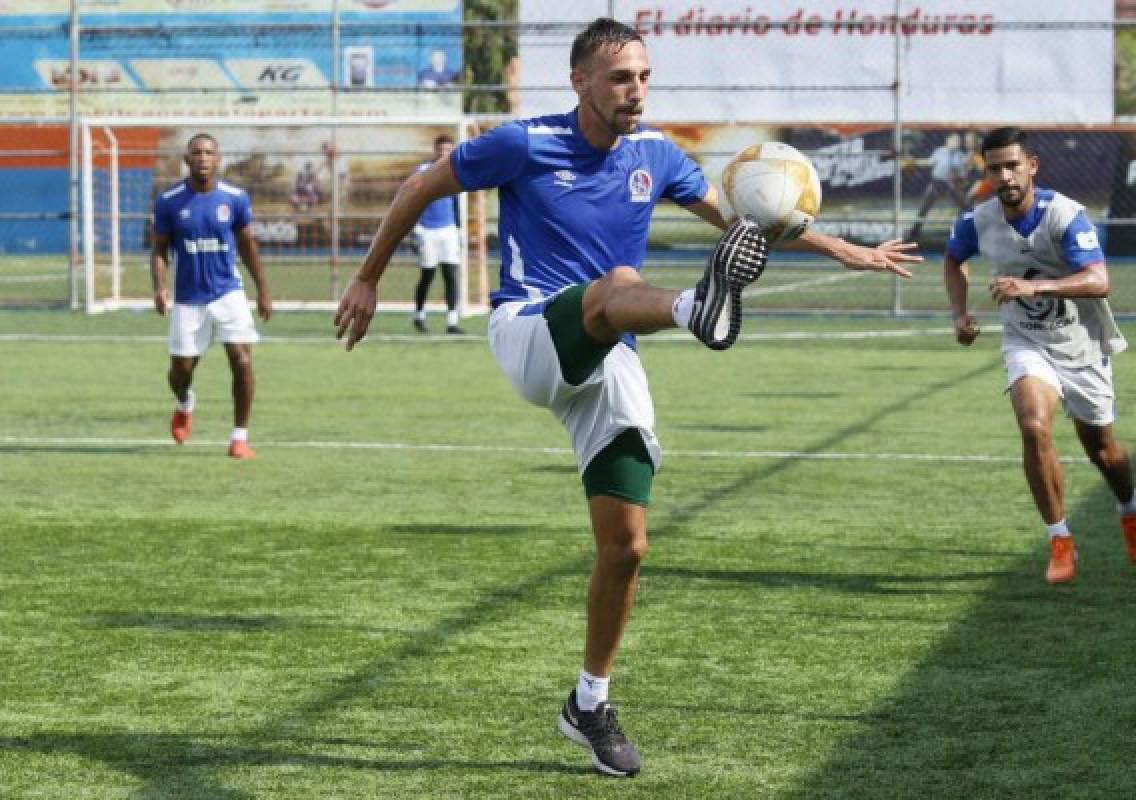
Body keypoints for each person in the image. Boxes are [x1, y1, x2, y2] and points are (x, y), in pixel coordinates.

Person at [335, 17, 917, 777]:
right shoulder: (523, 142)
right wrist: (369, 276)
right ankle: (693, 310)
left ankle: (588, 702)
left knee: (627, 546)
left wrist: (844, 249)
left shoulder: (657, 157)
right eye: (619, 77)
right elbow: (419, 184)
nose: (635, 90)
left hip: (610, 354)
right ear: (579, 82)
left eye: (643, 76)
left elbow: (745, 219)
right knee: (617, 285)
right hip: (531, 330)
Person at [944, 126, 1136, 584]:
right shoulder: (978, 220)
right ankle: (1060, 539)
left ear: (1032, 166)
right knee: (1033, 426)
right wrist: (960, 314)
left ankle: (1129, 510)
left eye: (1013, 165)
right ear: (987, 173)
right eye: (995, 169)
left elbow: (1098, 280)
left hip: (1082, 345)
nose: (1005, 176)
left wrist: (1034, 285)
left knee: (1104, 452)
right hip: (1027, 341)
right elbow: (954, 260)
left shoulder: (1066, 215)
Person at [150, 132, 272, 460]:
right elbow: (159, 250)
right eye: (197, 153)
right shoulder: (169, 201)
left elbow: (247, 245)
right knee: (181, 371)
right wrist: (160, 286)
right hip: (189, 299)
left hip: (227, 293)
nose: (203, 158)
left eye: (208, 153)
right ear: (187, 160)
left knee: (242, 359)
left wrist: (262, 289)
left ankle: (239, 437)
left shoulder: (234, 198)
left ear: (217, 160)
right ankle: (184, 402)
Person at [411, 134, 463, 334]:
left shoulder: (457, 171)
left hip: (448, 230)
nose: (444, 153)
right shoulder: (423, 171)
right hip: (427, 230)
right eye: (441, 150)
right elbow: (413, 200)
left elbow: (457, 204)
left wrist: (459, 231)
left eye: (448, 150)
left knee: (451, 274)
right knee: (428, 275)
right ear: (435, 150)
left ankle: (452, 321)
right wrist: (416, 228)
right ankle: (419, 315)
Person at [905, 132, 977, 244]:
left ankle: (961, 230)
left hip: (951, 185)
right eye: (953, 140)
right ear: (947, 141)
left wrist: (967, 165)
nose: (956, 143)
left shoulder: (960, 155)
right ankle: (915, 229)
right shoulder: (940, 151)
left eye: (957, 141)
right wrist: (915, 162)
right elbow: (929, 162)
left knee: (966, 206)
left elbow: (964, 171)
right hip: (937, 183)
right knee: (924, 207)